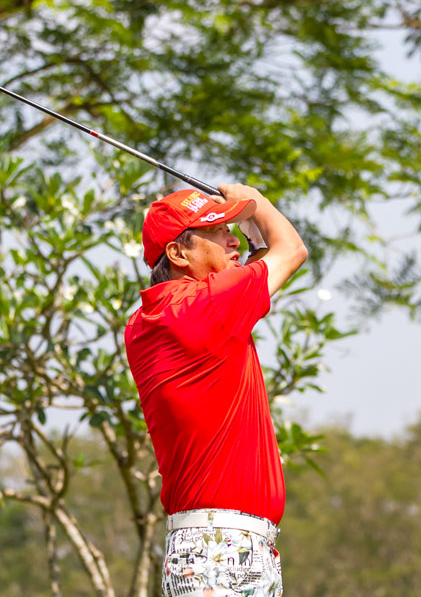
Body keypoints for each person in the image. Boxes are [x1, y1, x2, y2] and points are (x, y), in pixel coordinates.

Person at [124, 183, 307, 597]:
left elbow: (250, 273)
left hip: (216, 546)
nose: (233, 240)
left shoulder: (155, 316)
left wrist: (252, 234)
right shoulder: (204, 307)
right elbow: (291, 250)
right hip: (221, 548)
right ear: (178, 253)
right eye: (218, 230)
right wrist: (256, 202)